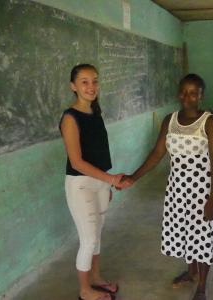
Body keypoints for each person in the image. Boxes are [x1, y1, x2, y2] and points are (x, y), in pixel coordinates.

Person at [122, 74, 213, 300]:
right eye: (184, 92)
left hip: (202, 190)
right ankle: (190, 273)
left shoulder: (210, 122)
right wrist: (133, 176)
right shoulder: (170, 120)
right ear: (179, 93)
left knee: (203, 237)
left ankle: (202, 287)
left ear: (201, 96)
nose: (187, 97)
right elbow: (158, 153)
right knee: (187, 232)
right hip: (177, 189)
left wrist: (212, 199)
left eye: (193, 93)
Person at [59, 64, 129, 300]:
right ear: (73, 86)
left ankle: (96, 278)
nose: (91, 87)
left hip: (99, 183)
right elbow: (77, 163)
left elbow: (99, 155)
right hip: (80, 185)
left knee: (97, 235)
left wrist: (106, 184)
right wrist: (110, 179)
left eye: (95, 81)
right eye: (84, 81)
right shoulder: (70, 117)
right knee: (88, 239)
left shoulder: (95, 114)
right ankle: (85, 290)